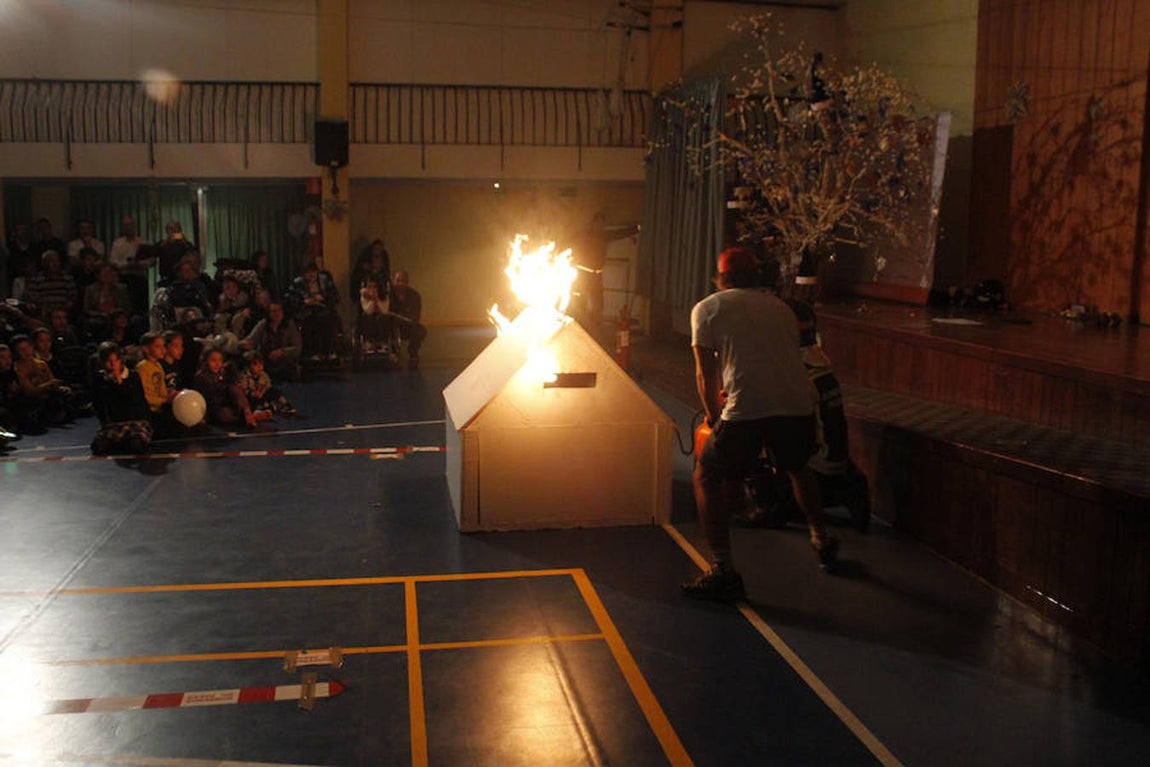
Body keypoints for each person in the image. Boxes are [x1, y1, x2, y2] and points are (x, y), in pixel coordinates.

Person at [684, 246, 839, 601]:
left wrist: (713, 416)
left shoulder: (707, 309)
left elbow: (705, 374)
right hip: (796, 404)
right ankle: (821, 538)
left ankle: (723, 569)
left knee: (706, 473)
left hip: (747, 409)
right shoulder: (780, 308)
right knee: (798, 467)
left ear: (721, 277)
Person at [572, 212, 637, 330]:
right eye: (597, 223)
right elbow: (572, 243)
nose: (599, 226)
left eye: (602, 223)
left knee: (598, 302)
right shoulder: (584, 236)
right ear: (593, 223)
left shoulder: (604, 235)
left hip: (596, 274)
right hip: (583, 274)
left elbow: (619, 234)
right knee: (581, 300)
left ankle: (596, 325)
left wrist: (635, 229)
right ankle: (580, 325)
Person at [90, 342, 153, 456]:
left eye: (115, 361)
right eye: (108, 362)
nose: (112, 365)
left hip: (135, 421)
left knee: (136, 445)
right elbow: (98, 403)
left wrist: (120, 383)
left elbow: (136, 399)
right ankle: (118, 441)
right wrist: (104, 423)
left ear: (121, 360)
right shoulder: (100, 380)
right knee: (98, 446)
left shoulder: (133, 376)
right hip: (114, 423)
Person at [193, 347, 259, 428]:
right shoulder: (201, 376)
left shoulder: (223, 373)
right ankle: (249, 417)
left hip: (226, 402)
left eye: (220, 360)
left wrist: (229, 374)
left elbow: (234, 388)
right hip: (212, 406)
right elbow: (208, 397)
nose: (217, 364)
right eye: (213, 361)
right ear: (205, 361)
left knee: (235, 389)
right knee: (223, 414)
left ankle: (247, 413)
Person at [286, 261, 340, 360]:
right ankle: (313, 352)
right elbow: (290, 299)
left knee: (330, 321)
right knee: (310, 322)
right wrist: (304, 302)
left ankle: (330, 351)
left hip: (324, 309)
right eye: (308, 272)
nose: (311, 275)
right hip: (306, 311)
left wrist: (323, 297)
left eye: (313, 272)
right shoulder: (298, 283)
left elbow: (336, 296)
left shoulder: (325, 281)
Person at [240, 301, 302, 381]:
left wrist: (282, 352)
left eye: (279, 310)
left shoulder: (289, 326)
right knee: (249, 355)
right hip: (265, 358)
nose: (277, 313)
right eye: (273, 311)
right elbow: (251, 339)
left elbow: (297, 348)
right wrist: (245, 344)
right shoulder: (263, 324)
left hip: (284, 360)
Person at [240, 350, 296, 416]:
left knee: (274, 391)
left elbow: (267, 385)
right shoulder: (245, 376)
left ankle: (284, 405)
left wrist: (262, 391)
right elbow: (243, 390)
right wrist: (253, 393)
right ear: (248, 365)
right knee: (251, 400)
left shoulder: (264, 375)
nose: (259, 366)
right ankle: (261, 409)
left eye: (261, 364)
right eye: (255, 364)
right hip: (252, 396)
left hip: (262, 393)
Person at [389, 270, 426, 368]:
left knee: (420, 330)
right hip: (390, 324)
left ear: (407, 282)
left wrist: (404, 319)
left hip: (407, 325)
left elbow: (415, 316)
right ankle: (391, 351)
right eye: (398, 280)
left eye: (403, 281)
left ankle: (413, 352)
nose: (400, 283)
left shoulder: (415, 296)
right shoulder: (387, 295)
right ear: (393, 281)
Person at [358, 276, 390, 352]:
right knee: (367, 316)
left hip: (381, 317)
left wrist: (377, 299)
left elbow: (384, 311)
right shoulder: (364, 296)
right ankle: (369, 341)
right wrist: (372, 300)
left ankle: (383, 342)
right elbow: (368, 311)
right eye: (370, 286)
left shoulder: (384, 295)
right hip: (369, 317)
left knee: (382, 318)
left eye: (374, 286)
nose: (372, 289)